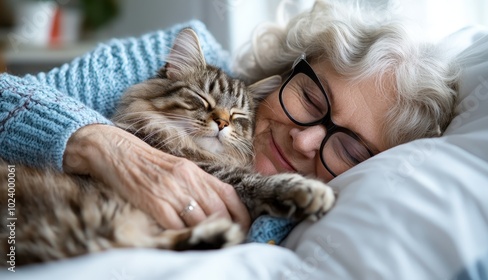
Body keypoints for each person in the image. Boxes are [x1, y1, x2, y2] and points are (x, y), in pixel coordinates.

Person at [0, 0, 459, 242]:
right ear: (289, 68)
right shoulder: (186, 59)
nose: (304, 141)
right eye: (312, 96)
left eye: (350, 148)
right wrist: (102, 144)